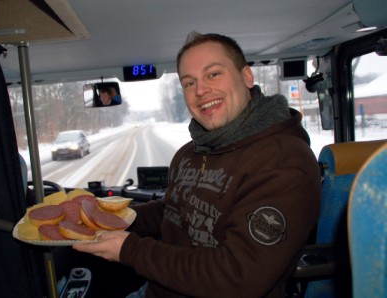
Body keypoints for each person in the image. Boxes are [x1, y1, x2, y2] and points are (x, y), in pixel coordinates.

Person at [73, 32, 321, 297]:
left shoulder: (283, 161)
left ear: (247, 77)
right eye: (189, 83)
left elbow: (238, 277)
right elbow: (173, 212)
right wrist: (110, 219)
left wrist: (129, 249)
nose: (200, 91)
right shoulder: (190, 153)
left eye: (213, 74)